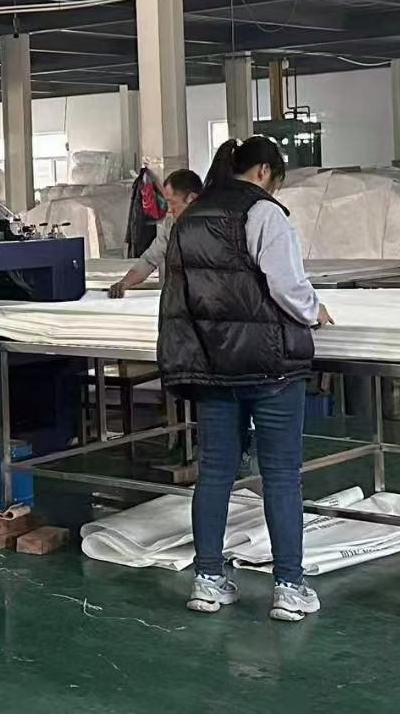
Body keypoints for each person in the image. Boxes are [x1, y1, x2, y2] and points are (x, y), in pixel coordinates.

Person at [158, 137, 332, 622]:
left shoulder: (188, 218)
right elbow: (287, 285)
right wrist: (314, 312)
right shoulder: (263, 213)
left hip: (212, 365)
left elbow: (178, 295)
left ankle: (207, 580)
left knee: (215, 472)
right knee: (281, 475)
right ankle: (289, 588)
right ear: (263, 172)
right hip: (269, 363)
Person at [109, 169, 202, 297]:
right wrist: (124, 283)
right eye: (167, 202)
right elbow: (149, 260)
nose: (169, 209)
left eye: (172, 202)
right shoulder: (170, 224)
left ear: (192, 199)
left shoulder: (213, 228)